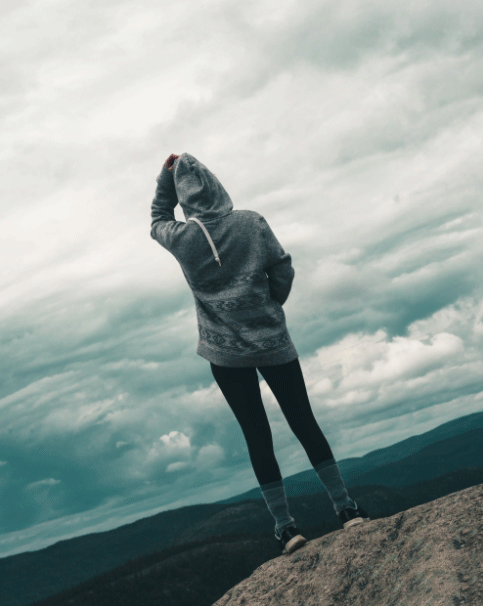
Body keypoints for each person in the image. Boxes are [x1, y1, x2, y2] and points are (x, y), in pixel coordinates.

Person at [150, 152, 369, 555]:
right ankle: (346, 508)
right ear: (216, 184)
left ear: (184, 198)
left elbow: (157, 219)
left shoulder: (181, 238)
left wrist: (167, 179)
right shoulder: (252, 223)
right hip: (273, 341)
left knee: (257, 435)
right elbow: (282, 268)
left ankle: (286, 528)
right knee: (304, 421)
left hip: (223, 352)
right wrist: (270, 306)